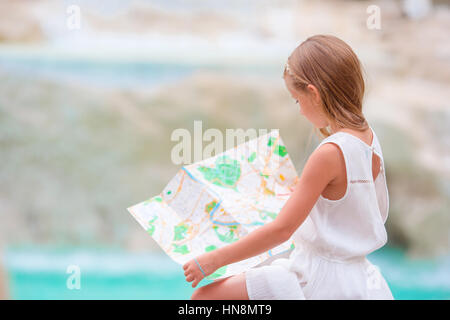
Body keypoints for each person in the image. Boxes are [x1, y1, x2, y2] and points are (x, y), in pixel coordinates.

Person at [183, 34, 393, 300]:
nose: (300, 111)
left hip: (316, 276)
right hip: (359, 278)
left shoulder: (329, 152)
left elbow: (282, 230)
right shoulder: (370, 140)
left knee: (204, 298)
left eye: (297, 99)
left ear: (314, 94)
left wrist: (212, 260)